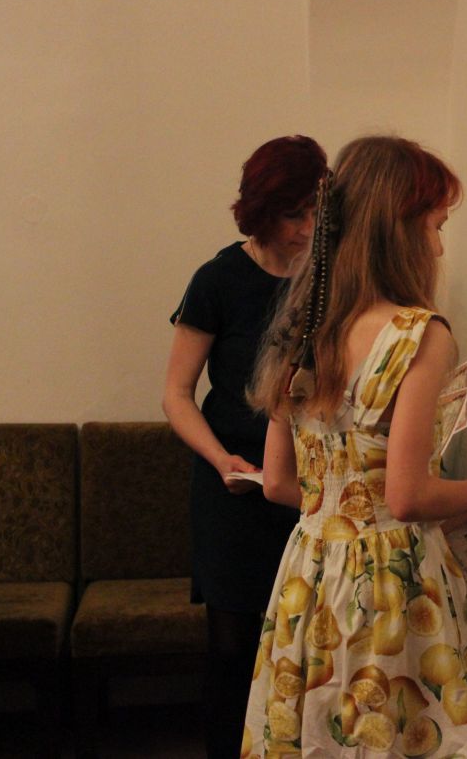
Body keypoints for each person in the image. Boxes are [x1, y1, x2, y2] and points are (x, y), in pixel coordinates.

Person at [243, 136, 467, 758]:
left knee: (316, 734)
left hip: (308, 574)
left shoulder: (302, 327)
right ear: (400, 227)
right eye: (436, 226)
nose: (438, 247)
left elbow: (279, 483)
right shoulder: (418, 335)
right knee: (395, 735)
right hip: (390, 583)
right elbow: (408, 496)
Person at [162, 134, 327, 758]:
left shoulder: (329, 278)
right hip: (231, 483)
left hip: (304, 483)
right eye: (292, 215)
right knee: (232, 646)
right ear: (260, 212)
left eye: (314, 214)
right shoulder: (218, 279)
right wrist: (218, 458)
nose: (305, 229)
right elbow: (177, 394)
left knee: (306, 641)